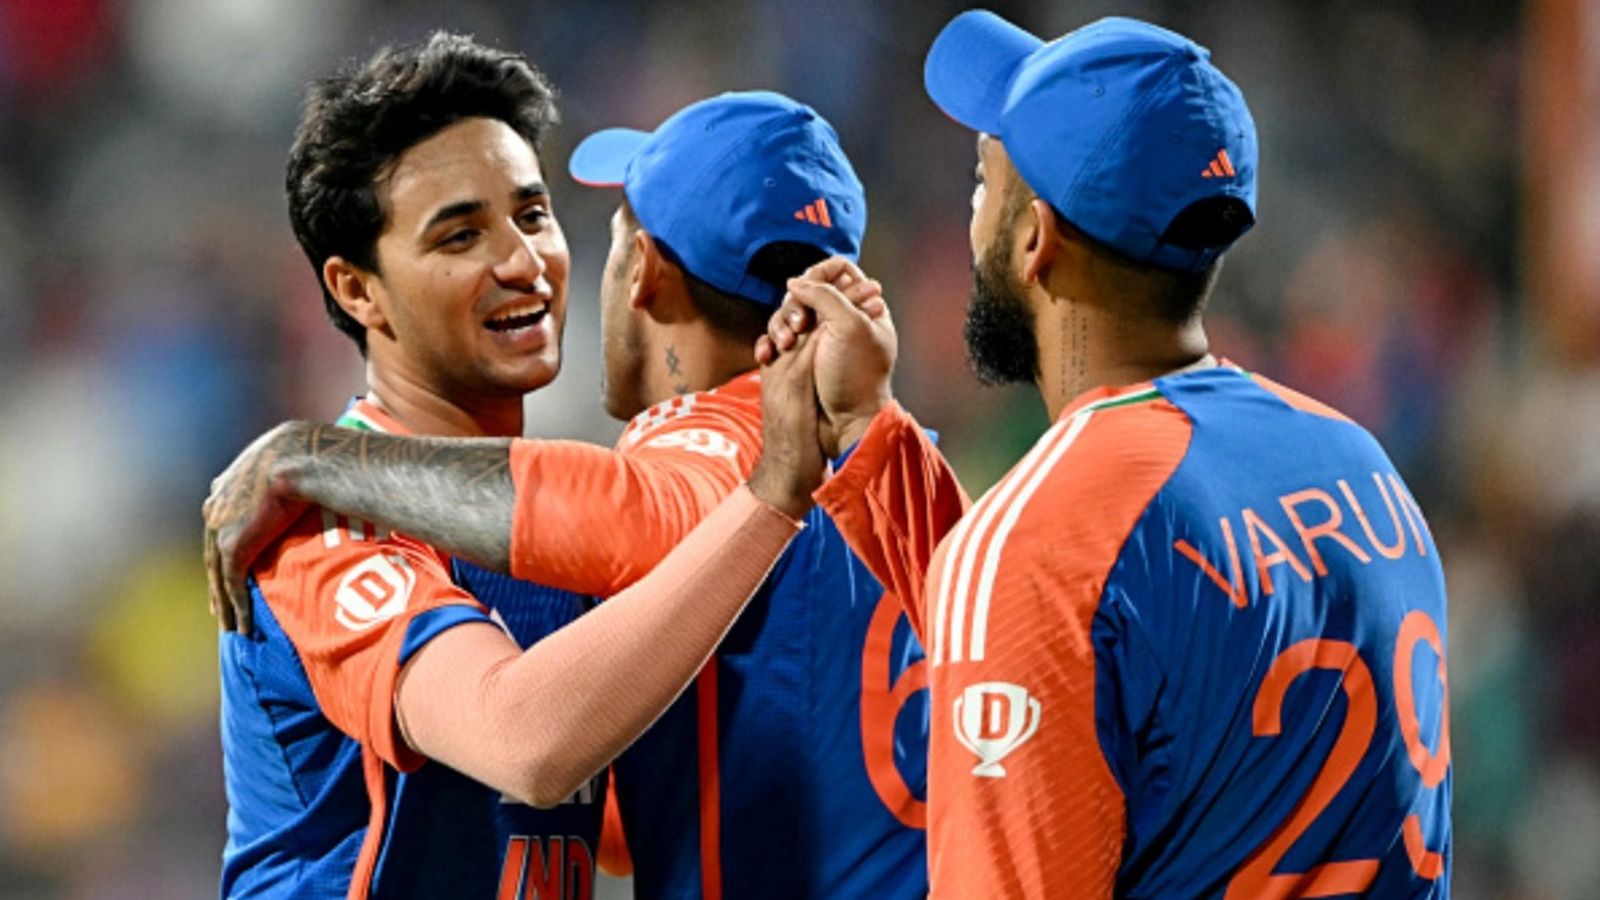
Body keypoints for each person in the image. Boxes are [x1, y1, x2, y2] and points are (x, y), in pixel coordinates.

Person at [759, 11, 1452, 898]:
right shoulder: (1360, 467)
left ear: (1035, 239)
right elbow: (1068, 647)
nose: (969, 215)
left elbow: (1050, 594)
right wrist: (867, 434)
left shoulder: (1044, 545)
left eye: (983, 182)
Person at [206, 91, 929, 898]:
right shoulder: (318, 524)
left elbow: (604, 807)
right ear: (358, 290)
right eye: (460, 235)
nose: (522, 261)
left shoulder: (576, 522)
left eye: (533, 215)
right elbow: (530, 744)